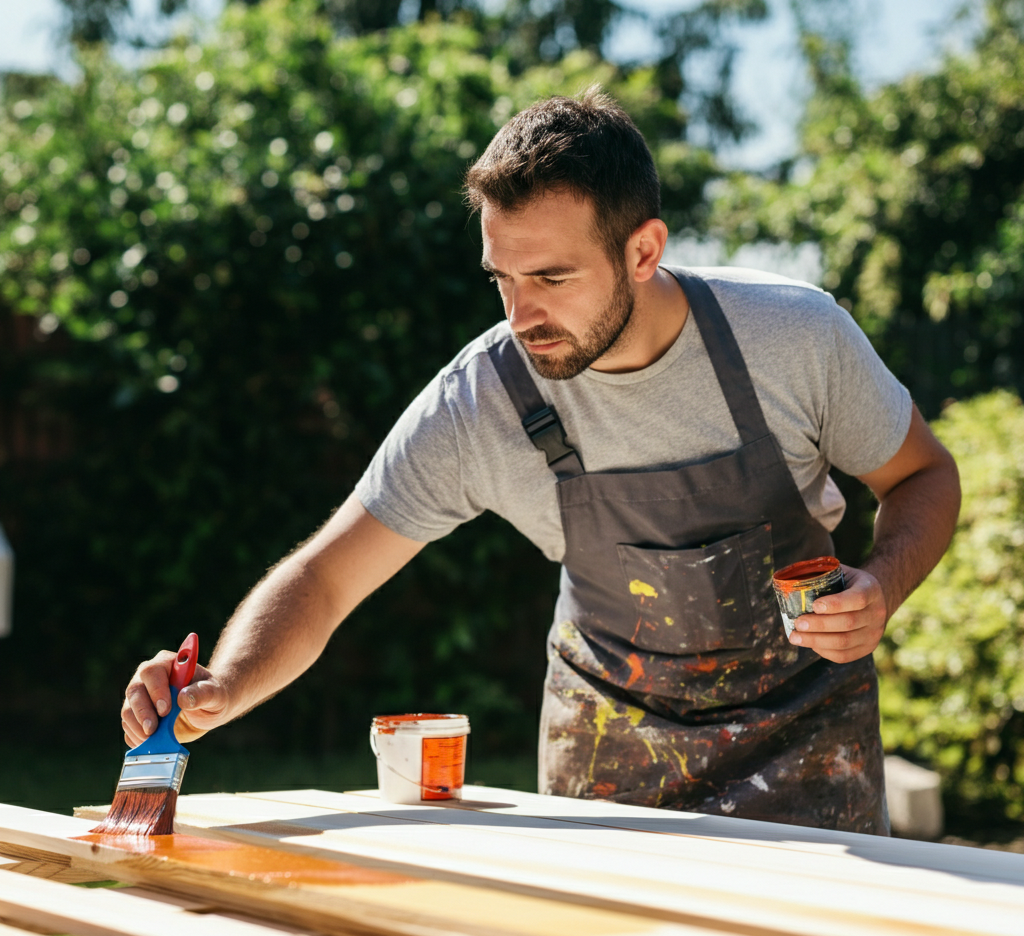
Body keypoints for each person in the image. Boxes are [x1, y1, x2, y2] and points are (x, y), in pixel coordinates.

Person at [121, 89, 960, 834]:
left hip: (804, 739)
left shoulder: (793, 338)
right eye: (502, 279)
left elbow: (924, 477)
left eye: (553, 277)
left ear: (644, 249)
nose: (522, 316)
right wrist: (221, 687)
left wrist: (882, 585)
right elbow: (327, 577)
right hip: (611, 755)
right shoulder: (480, 401)